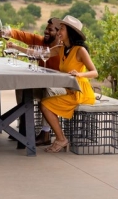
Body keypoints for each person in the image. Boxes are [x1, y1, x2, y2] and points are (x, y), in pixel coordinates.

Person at [0, 17, 63, 145]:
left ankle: (45, 133)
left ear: (58, 32)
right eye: (45, 29)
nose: (46, 32)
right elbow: (23, 35)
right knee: (21, 87)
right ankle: (24, 129)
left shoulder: (62, 48)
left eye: (50, 30)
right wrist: (8, 33)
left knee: (48, 89)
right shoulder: (40, 42)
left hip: (61, 88)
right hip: (44, 84)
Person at [40, 15, 98, 153]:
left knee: (45, 105)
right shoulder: (62, 48)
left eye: (61, 29)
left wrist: (79, 74)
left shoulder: (80, 50)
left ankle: (61, 139)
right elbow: (39, 54)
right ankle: (60, 138)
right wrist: (15, 47)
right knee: (45, 102)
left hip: (81, 93)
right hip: (71, 91)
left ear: (70, 33)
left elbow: (95, 72)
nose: (58, 32)